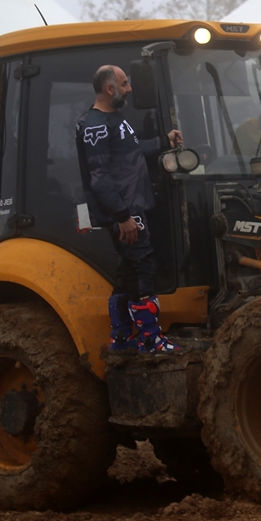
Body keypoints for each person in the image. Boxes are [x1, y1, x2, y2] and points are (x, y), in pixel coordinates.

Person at [77, 65, 182, 354]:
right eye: (124, 84)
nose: (130, 89)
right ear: (109, 88)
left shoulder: (115, 119)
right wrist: (122, 217)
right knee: (144, 267)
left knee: (128, 271)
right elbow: (99, 178)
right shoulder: (95, 126)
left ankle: (122, 338)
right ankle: (150, 339)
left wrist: (164, 141)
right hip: (125, 210)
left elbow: (132, 151)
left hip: (132, 205)